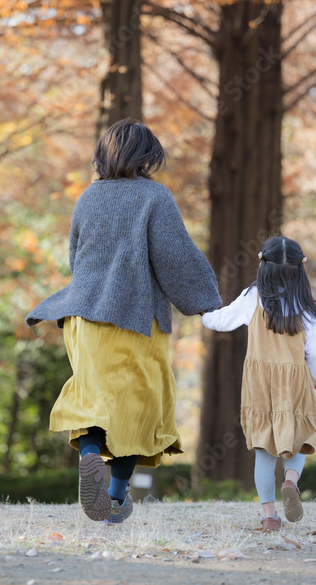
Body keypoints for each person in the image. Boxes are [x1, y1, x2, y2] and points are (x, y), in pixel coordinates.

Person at [25, 118, 221, 525]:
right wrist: (207, 302)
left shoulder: (87, 198)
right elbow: (176, 257)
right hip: (134, 320)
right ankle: (115, 497)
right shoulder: (155, 197)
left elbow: (75, 258)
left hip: (82, 317)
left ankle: (91, 456)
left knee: (91, 400)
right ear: (148, 157)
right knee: (137, 409)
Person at [201, 236, 316, 531]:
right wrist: (315, 380)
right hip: (296, 381)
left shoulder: (252, 298)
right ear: (300, 270)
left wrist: (203, 314)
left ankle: (269, 517)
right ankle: (291, 483)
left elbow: (221, 320)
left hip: (260, 383)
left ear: (263, 267)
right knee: (298, 439)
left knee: (264, 450)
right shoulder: (306, 307)